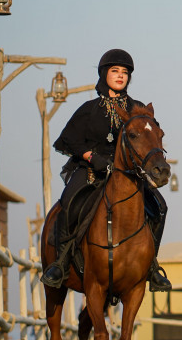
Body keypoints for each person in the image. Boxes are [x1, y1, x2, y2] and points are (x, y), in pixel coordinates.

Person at [41, 49, 171, 292]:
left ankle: (152, 265)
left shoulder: (138, 108)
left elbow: (152, 136)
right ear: (104, 74)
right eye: (115, 71)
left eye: (124, 72)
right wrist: (92, 157)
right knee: (69, 202)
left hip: (129, 174)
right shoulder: (89, 109)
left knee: (160, 208)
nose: (120, 76)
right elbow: (69, 140)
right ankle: (61, 260)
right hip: (93, 170)